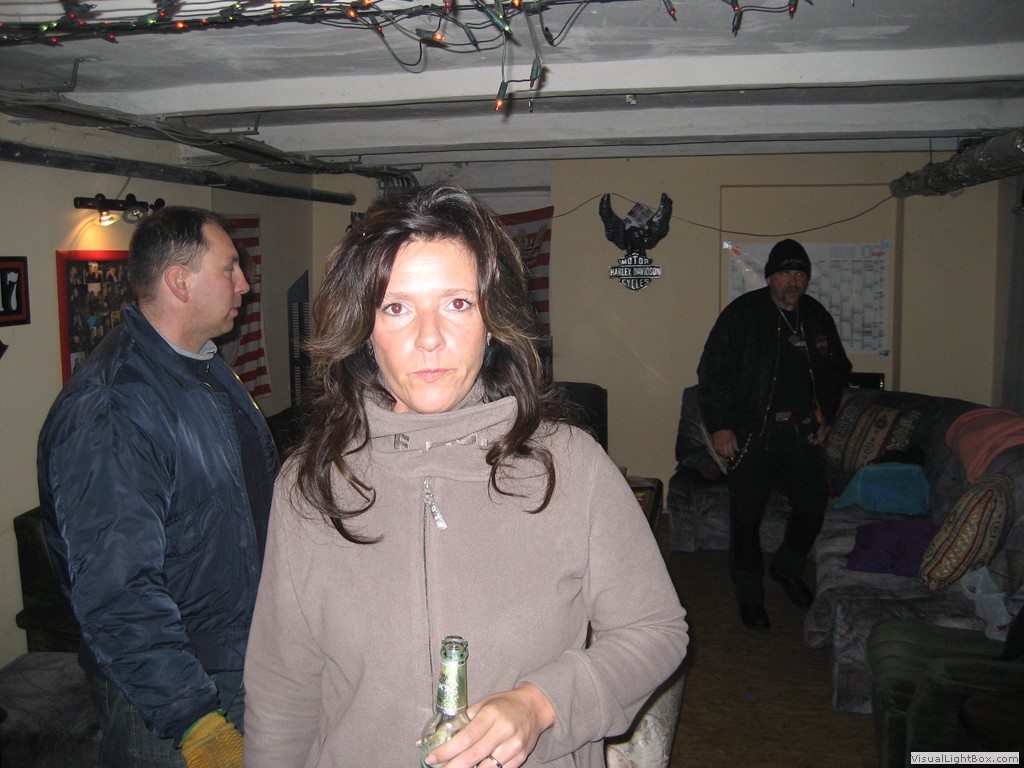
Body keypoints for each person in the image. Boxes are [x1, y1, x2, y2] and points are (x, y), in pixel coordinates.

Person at [243, 183, 688, 768]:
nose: (429, 339)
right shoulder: (312, 486)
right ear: (365, 330)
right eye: (397, 308)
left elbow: (655, 630)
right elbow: (282, 691)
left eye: (457, 304)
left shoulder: (571, 466)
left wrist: (541, 705)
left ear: (492, 321)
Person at [37, 206, 279, 768]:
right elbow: (116, 588)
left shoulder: (204, 371)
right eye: (229, 268)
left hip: (237, 658)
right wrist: (193, 720)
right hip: (174, 693)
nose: (244, 284)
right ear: (179, 281)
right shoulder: (114, 407)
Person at [696, 238, 851, 630]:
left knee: (812, 507)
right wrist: (721, 426)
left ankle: (787, 568)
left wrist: (825, 415)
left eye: (799, 273)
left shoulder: (816, 316)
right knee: (746, 521)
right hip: (752, 435)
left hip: (800, 435)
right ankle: (750, 596)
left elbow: (837, 371)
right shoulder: (743, 315)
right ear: (769, 278)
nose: (792, 281)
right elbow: (712, 373)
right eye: (785, 273)